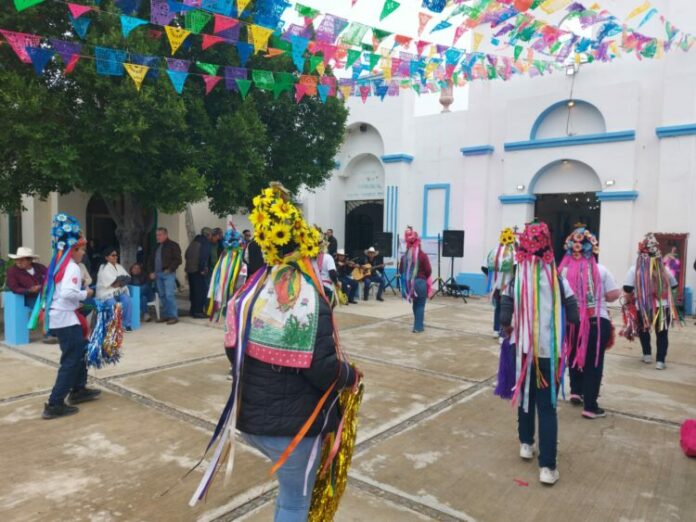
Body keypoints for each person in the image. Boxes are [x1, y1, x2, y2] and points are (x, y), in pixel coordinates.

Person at [192, 184, 362, 520]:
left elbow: (233, 349)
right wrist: (350, 375)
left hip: (253, 417)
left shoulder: (251, 294)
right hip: (292, 425)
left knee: (288, 496)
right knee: (296, 502)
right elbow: (322, 368)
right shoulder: (309, 301)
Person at [499, 221, 579, 486]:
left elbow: (505, 304)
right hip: (549, 352)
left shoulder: (518, 276)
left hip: (523, 350)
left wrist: (506, 321)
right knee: (547, 407)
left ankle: (526, 444)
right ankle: (547, 467)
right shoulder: (556, 277)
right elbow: (572, 307)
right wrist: (572, 320)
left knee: (525, 397)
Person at [39, 214, 101, 419]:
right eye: (81, 249)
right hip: (65, 319)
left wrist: (77, 302)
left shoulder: (59, 265)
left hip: (63, 316)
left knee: (80, 352)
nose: (83, 252)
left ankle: (78, 389)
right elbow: (67, 293)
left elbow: (58, 293)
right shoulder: (72, 267)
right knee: (71, 359)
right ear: (73, 249)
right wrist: (86, 293)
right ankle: (54, 403)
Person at [558, 226, 621, 419]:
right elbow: (613, 294)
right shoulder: (601, 270)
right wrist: (600, 296)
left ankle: (576, 391)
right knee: (594, 361)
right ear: (592, 248)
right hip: (597, 321)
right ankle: (590, 406)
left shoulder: (563, 271)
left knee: (574, 354)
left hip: (571, 321)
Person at [623, 233, 678, 370]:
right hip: (663, 306)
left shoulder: (634, 269)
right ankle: (660, 361)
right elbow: (674, 285)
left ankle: (647, 355)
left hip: (643, 307)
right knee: (662, 334)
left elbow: (627, 288)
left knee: (643, 330)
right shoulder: (663, 269)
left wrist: (630, 299)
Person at [481, 228, 516, 339]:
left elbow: (484, 267)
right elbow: (517, 269)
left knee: (498, 308)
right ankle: (503, 332)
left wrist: (491, 281)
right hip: (508, 287)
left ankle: (496, 330)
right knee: (507, 310)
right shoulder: (514, 253)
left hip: (496, 286)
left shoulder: (493, 252)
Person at [147, 227, 182, 325]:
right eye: (156, 235)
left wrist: (170, 269)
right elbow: (150, 260)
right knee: (162, 295)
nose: (157, 237)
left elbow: (178, 260)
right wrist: (151, 272)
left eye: (159, 235)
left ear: (166, 235)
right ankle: (166, 315)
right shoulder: (156, 247)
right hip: (158, 274)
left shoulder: (173, 245)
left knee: (169, 294)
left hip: (168, 274)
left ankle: (173, 316)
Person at [401, 227, 432, 333]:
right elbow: (428, 270)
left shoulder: (405, 257)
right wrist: (424, 277)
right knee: (420, 305)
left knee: (415, 304)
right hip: (420, 283)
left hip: (410, 284)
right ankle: (418, 327)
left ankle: (418, 324)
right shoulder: (423, 255)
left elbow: (402, 270)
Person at [95, 247, 133, 332]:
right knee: (114, 305)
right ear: (106, 257)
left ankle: (126, 324)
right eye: (113, 255)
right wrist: (119, 281)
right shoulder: (103, 268)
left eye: (116, 255)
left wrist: (119, 282)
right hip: (106, 293)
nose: (116, 257)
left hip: (118, 291)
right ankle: (115, 326)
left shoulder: (119, 266)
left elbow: (127, 278)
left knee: (127, 300)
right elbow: (111, 283)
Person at [184, 229, 211, 319]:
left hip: (190, 270)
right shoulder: (205, 242)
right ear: (208, 235)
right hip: (198, 271)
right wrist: (202, 268)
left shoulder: (194, 242)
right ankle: (198, 311)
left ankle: (193, 310)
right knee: (200, 292)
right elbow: (203, 256)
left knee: (193, 292)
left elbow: (186, 254)